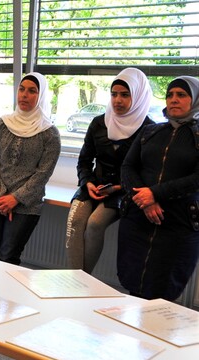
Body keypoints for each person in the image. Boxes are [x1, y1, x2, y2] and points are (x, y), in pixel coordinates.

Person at [118, 75, 199, 301]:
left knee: (162, 293)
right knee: (134, 287)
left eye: (181, 95)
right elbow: (128, 167)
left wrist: (155, 193)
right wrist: (145, 199)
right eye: (170, 95)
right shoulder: (150, 132)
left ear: (195, 100)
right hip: (138, 218)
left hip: (178, 224)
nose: (173, 99)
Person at [65, 68, 154, 273]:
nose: (117, 101)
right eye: (114, 94)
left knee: (95, 224)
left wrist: (117, 188)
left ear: (138, 96)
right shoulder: (99, 123)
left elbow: (148, 173)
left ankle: (82, 280)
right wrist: (87, 182)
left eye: (125, 95)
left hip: (124, 191)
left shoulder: (149, 129)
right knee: (75, 220)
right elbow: (84, 161)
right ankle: (74, 281)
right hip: (93, 186)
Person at [0, 72, 61, 265]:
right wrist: (2, 196)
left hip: (26, 205)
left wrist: (14, 198)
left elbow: (43, 173)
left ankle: (6, 296)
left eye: (32, 91)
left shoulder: (49, 133)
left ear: (41, 96)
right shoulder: (1, 125)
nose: (24, 95)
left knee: (8, 257)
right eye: (22, 89)